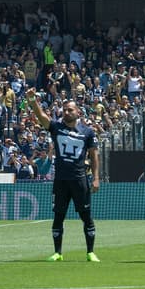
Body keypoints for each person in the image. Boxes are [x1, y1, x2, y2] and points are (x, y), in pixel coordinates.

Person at [28, 89, 100, 262]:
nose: (66, 112)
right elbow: (41, 117)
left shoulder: (87, 132)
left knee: (86, 215)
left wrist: (96, 178)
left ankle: (90, 252)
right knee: (58, 215)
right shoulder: (57, 127)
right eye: (64, 109)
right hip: (60, 180)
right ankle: (57, 252)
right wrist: (32, 100)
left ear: (78, 112)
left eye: (70, 110)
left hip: (79, 179)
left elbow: (94, 156)